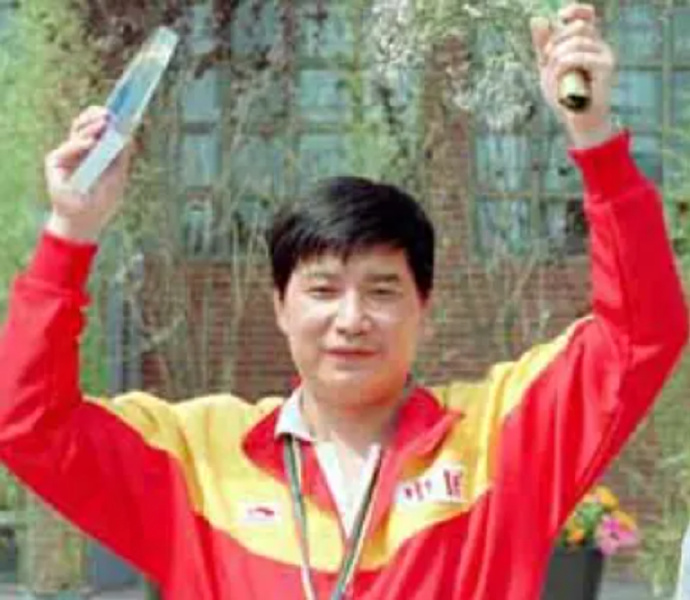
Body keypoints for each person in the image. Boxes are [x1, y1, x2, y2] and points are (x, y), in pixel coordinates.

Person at [0, 4, 686, 599]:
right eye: (323, 290)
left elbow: (641, 334)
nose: (351, 320)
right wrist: (71, 230)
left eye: (382, 290)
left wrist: (594, 137)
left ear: (424, 304)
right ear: (280, 306)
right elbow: (27, 422)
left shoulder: (499, 440)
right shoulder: (199, 457)